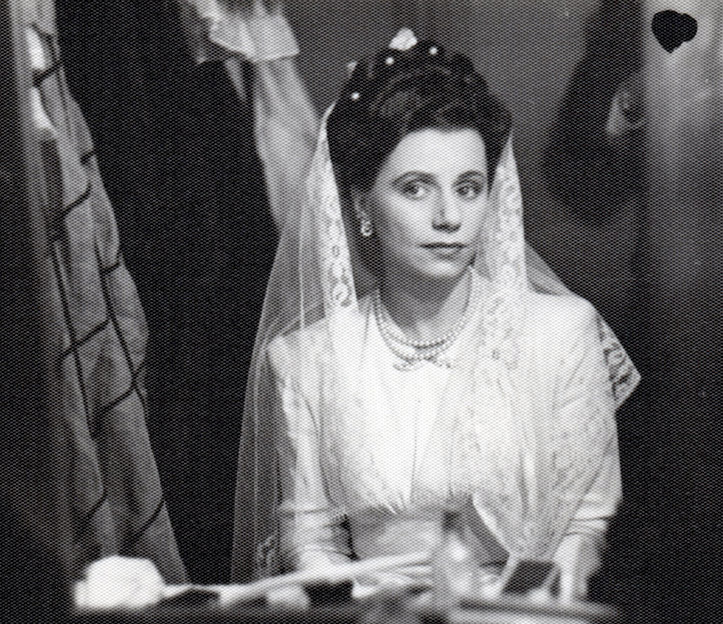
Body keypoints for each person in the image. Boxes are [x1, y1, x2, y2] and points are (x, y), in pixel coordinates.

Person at [231, 30, 639, 600]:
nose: (449, 217)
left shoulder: (561, 332)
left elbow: (587, 525)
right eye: (416, 189)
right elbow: (311, 539)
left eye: (469, 189)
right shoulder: (305, 358)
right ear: (361, 206)